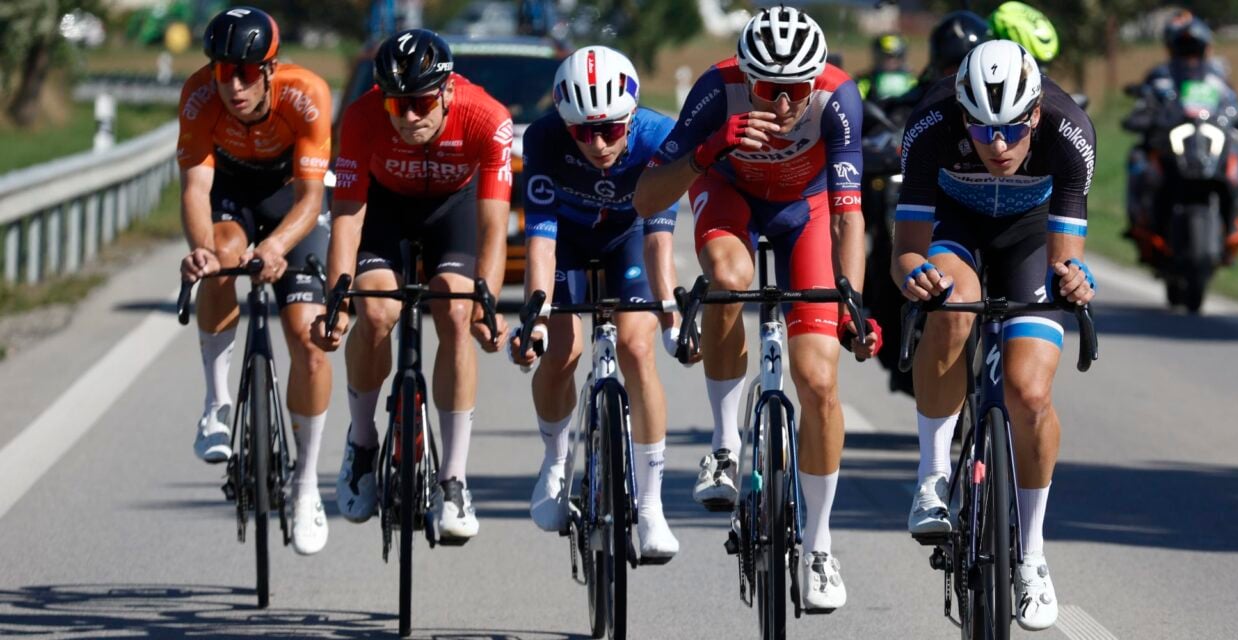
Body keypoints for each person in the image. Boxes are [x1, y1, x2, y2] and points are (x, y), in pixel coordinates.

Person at [634, 5, 881, 612]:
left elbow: (850, 215)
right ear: (748, 77)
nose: (785, 103)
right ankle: (724, 446)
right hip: (730, 195)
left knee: (819, 380)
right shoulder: (716, 91)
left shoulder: (837, 98)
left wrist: (851, 302)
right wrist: (710, 149)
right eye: (770, 89)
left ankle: (820, 547)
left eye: (798, 88)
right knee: (727, 276)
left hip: (807, 208)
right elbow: (646, 197)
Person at [893, 40, 1097, 631]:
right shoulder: (930, 125)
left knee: (1029, 393)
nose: (997, 145)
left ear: (1034, 113)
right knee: (950, 306)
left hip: (1031, 236)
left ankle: (1032, 555)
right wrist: (914, 279)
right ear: (962, 115)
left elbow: (1066, 262)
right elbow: (905, 251)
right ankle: (933, 477)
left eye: (1010, 129)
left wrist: (1077, 284)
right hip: (956, 227)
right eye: (981, 130)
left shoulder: (1069, 132)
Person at [311, 28, 512, 544]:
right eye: (397, 106)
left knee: (454, 313)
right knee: (375, 312)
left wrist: (485, 301)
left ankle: (454, 480)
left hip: (454, 210)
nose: (409, 117)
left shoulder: (487, 117)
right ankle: (360, 442)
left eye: (421, 103)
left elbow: (493, 225)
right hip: (386, 210)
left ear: (445, 92)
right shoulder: (361, 117)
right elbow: (348, 216)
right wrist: (338, 300)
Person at [508, 46, 685, 561]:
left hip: (628, 238)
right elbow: (539, 243)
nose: (600, 143)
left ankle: (651, 506)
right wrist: (534, 322)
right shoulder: (542, 138)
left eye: (610, 128)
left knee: (636, 347)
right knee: (561, 351)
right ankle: (556, 461)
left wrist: (671, 317)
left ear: (631, 115)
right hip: (567, 238)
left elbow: (659, 242)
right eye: (585, 132)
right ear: (567, 125)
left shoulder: (658, 137)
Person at [178, 6, 333, 556]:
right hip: (232, 196)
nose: (235, 85)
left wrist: (277, 246)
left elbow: (313, 200)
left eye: (247, 73)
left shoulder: (305, 93)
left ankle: (307, 484)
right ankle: (217, 404)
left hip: (292, 198)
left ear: (270, 70)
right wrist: (200, 253)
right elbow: (196, 189)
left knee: (310, 339)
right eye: (225, 72)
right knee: (218, 257)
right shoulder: (198, 97)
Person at [1124, 11, 1238, 262]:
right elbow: (1144, 105)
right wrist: (1143, 118)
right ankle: (1140, 219)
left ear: (1206, 48)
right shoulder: (1160, 77)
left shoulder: (1217, 78)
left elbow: (1231, 106)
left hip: (1207, 144)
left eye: (1194, 48)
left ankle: (1237, 221)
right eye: (1184, 48)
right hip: (1170, 144)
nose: (1190, 55)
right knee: (1139, 158)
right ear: (1172, 49)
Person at [857, 33, 917, 104]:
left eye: (894, 56)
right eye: (885, 57)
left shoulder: (912, 82)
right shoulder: (865, 82)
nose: (890, 61)